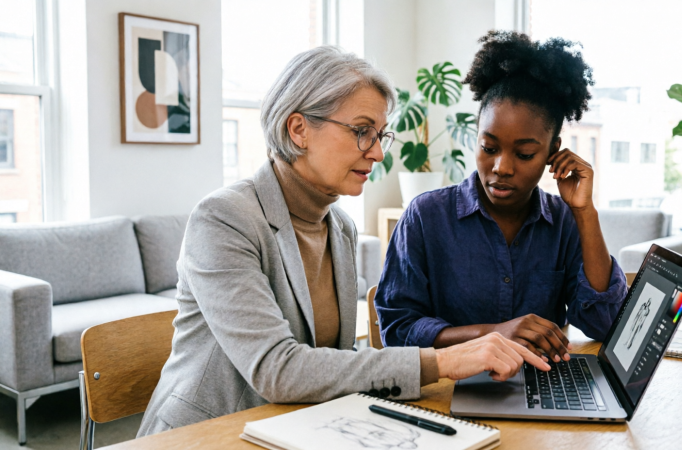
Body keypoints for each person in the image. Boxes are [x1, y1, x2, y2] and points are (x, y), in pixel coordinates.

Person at [137, 46, 545, 437]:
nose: (378, 153)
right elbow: (276, 370)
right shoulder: (224, 218)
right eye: (362, 132)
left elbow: (335, 360)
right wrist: (443, 360)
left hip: (293, 428)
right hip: (206, 434)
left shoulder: (340, 227)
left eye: (381, 135)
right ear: (298, 129)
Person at [375, 31, 628, 363]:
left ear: (553, 152)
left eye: (524, 154)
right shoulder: (426, 216)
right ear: (476, 135)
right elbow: (397, 329)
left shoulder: (563, 221)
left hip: (540, 386)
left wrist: (585, 212)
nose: (502, 167)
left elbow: (605, 323)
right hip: (447, 393)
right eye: (489, 148)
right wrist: (492, 334)